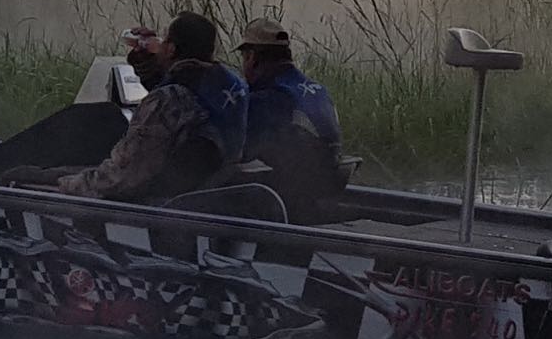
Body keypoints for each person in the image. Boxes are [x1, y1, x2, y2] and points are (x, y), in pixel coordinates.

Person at [41, 11, 247, 203]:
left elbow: (123, 177)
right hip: (210, 196)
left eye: (165, 40)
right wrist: (150, 63)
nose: (160, 44)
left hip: (163, 208)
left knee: (33, 174)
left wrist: (64, 185)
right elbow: (183, 91)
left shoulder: (167, 100)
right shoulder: (232, 86)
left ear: (172, 49)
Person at [235, 17, 345, 220]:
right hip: (327, 183)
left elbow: (241, 152)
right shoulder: (317, 89)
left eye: (244, 57)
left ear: (252, 57)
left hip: (295, 194)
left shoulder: (270, 97)